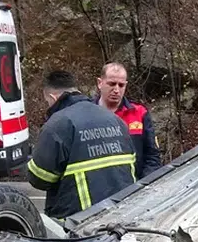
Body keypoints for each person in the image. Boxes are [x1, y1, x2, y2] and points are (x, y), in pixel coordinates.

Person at [26, 70, 136, 220]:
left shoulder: (57, 124)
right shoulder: (115, 120)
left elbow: (39, 178)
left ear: (53, 97)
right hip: (123, 217)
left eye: (48, 102)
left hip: (79, 224)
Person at [96, 62, 162, 177]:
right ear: (100, 83)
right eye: (112, 84)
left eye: (121, 85)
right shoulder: (87, 114)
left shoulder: (139, 113)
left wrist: (145, 185)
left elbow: (152, 155)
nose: (116, 90)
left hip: (135, 186)